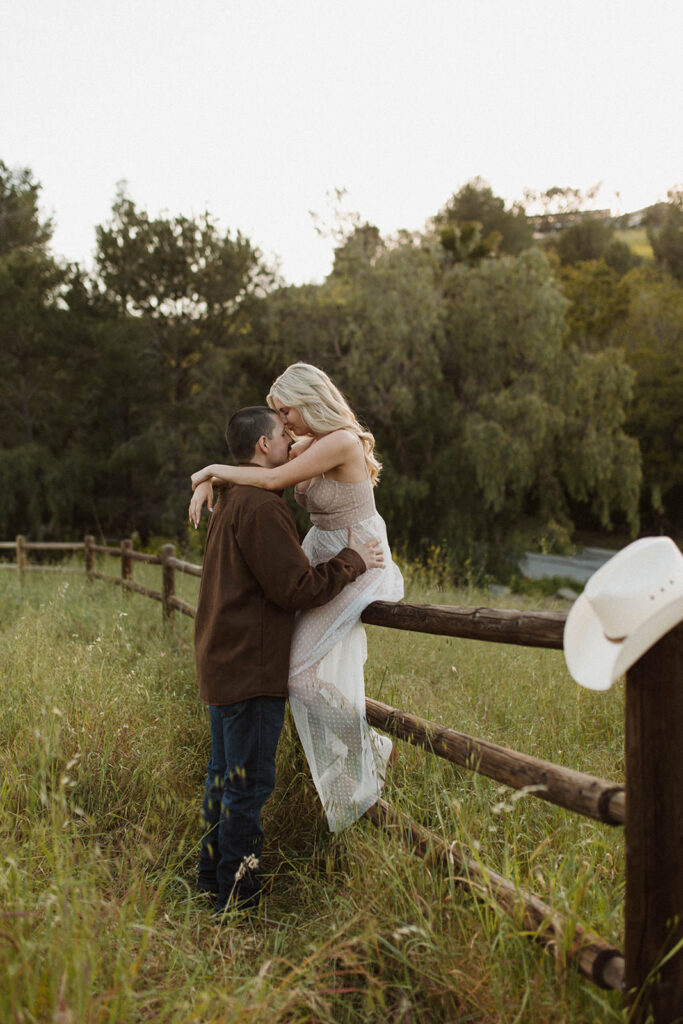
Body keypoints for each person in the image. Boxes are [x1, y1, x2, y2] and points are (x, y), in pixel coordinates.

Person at [190, 363, 404, 832]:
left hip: (358, 554)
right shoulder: (307, 443)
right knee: (295, 673)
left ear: (308, 399)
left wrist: (205, 470)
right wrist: (213, 481)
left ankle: (365, 746)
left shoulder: (341, 441)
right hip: (323, 554)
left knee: (299, 675)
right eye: (278, 417)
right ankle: (359, 746)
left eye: (286, 410)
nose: (283, 422)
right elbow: (256, 464)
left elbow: (267, 480)